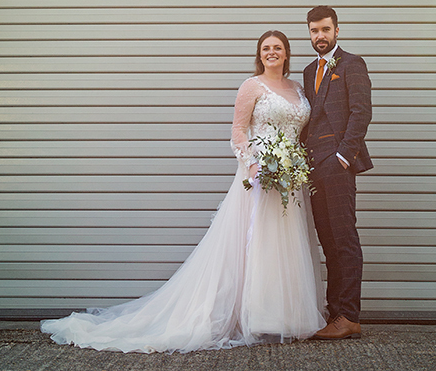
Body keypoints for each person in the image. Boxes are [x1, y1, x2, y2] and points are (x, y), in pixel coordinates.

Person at [41, 30, 324, 352]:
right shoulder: (251, 86)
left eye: (277, 48)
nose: (271, 52)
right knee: (255, 243)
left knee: (285, 245)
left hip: (290, 178)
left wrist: (293, 164)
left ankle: (283, 316)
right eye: (265, 49)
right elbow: (237, 131)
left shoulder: (298, 88)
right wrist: (253, 164)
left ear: (286, 54)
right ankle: (254, 316)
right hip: (257, 177)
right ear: (259, 55)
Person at [302, 5, 373, 340]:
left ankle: (349, 316)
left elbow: (361, 112)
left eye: (325, 30)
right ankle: (335, 315)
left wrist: (344, 156)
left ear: (337, 31)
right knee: (328, 241)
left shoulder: (352, 64)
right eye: (315, 31)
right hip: (315, 166)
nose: (320, 36)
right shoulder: (306, 71)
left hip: (338, 164)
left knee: (344, 240)